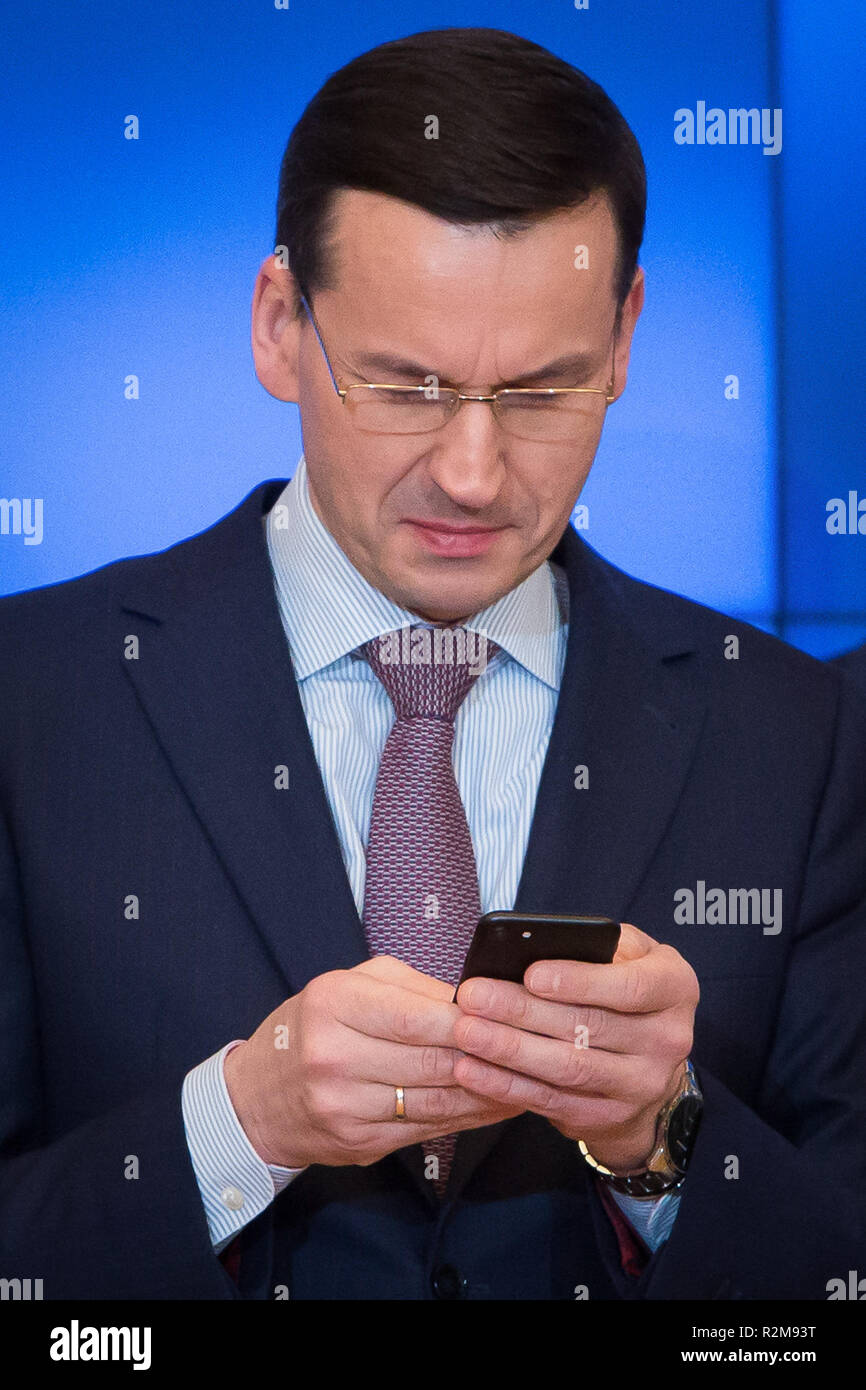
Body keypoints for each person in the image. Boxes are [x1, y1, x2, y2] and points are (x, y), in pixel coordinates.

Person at [1, 27, 864, 1302]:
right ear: (279, 322)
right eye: (403, 387)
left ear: (625, 336)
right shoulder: (32, 699)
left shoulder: (793, 732)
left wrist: (659, 1141)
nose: (471, 473)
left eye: (539, 391)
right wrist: (237, 1127)